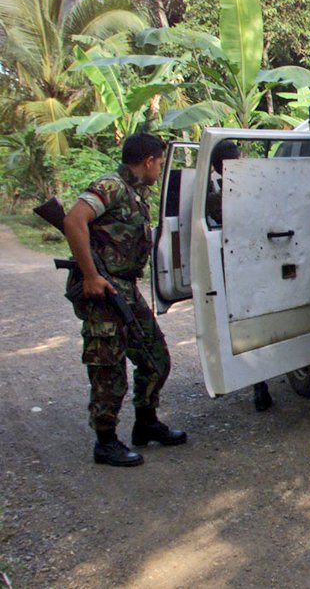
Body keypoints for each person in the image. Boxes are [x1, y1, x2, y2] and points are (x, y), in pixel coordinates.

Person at [63, 133, 187, 467]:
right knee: (109, 368)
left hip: (126, 290)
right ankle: (105, 442)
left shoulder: (135, 193)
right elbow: (73, 221)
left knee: (155, 357)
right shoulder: (112, 186)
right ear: (148, 161)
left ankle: (146, 423)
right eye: (160, 162)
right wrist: (91, 276)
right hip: (103, 292)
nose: (160, 168)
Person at [206, 140, 273, 411]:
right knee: (255, 321)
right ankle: (259, 383)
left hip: (238, 265)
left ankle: (258, 382)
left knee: (243, 323)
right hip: (254, 262)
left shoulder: (215, 197)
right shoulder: (252, 189)